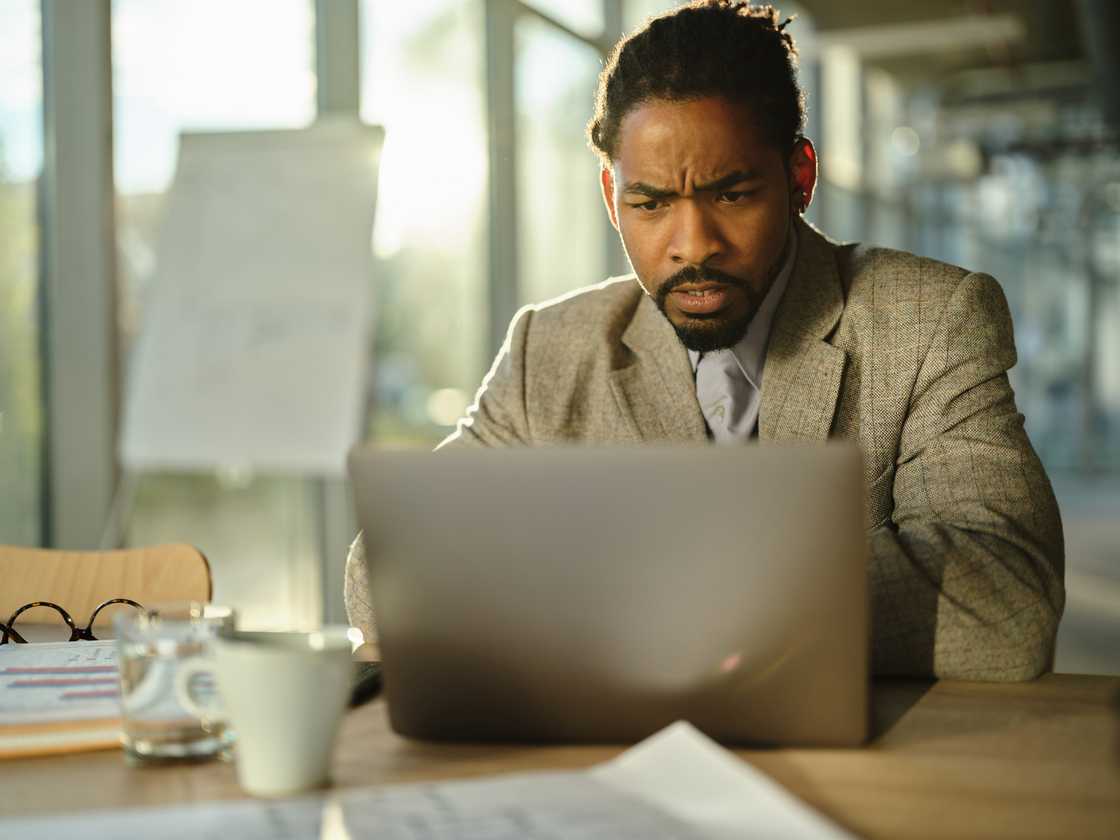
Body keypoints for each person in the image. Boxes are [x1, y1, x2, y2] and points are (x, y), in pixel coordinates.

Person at [346, 0, 1064, 680]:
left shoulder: (929, 320)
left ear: (799, 177)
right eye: (651, 204)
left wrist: (657, 591)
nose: (694, 245)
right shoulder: (551, 350)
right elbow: (385, 572)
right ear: (610, 199)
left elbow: (1007, 604)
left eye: (731, 194)